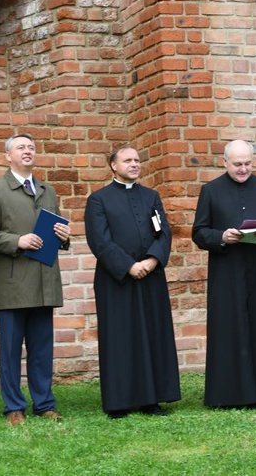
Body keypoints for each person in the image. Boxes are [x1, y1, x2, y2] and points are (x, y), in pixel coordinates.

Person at [0, 133, 71, 426]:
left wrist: (64, 238)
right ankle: (13, 407)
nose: (28, 151)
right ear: (8, 156)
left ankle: (44, 404)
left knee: (42, 350)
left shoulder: (48, 190)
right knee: (11, 350)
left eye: (31, 147)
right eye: (21, 147)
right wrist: (17, 240)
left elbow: (55, 230)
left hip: (44, 281)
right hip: (13, 284)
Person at [84, 144, 181, 419]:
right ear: (113, 165)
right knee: (120, 338)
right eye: (127, 160)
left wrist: (151, 261)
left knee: (153, 335)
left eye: (137, 160)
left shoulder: (151, 196)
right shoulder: (98, 200)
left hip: (151, 276)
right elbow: (100, 241)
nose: (134, 164)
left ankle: (152, 399)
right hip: (117, 280)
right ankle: (120, 401)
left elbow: (164, 233)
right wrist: (129, 266)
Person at [192, 139, 256, 408]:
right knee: (229, 328)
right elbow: (199, 232)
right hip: (227, 269)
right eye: (238, 164)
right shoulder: (211, 191)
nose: (244, 169)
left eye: (248, 164)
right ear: (225, 162)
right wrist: (221, 236)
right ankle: (229, 395)